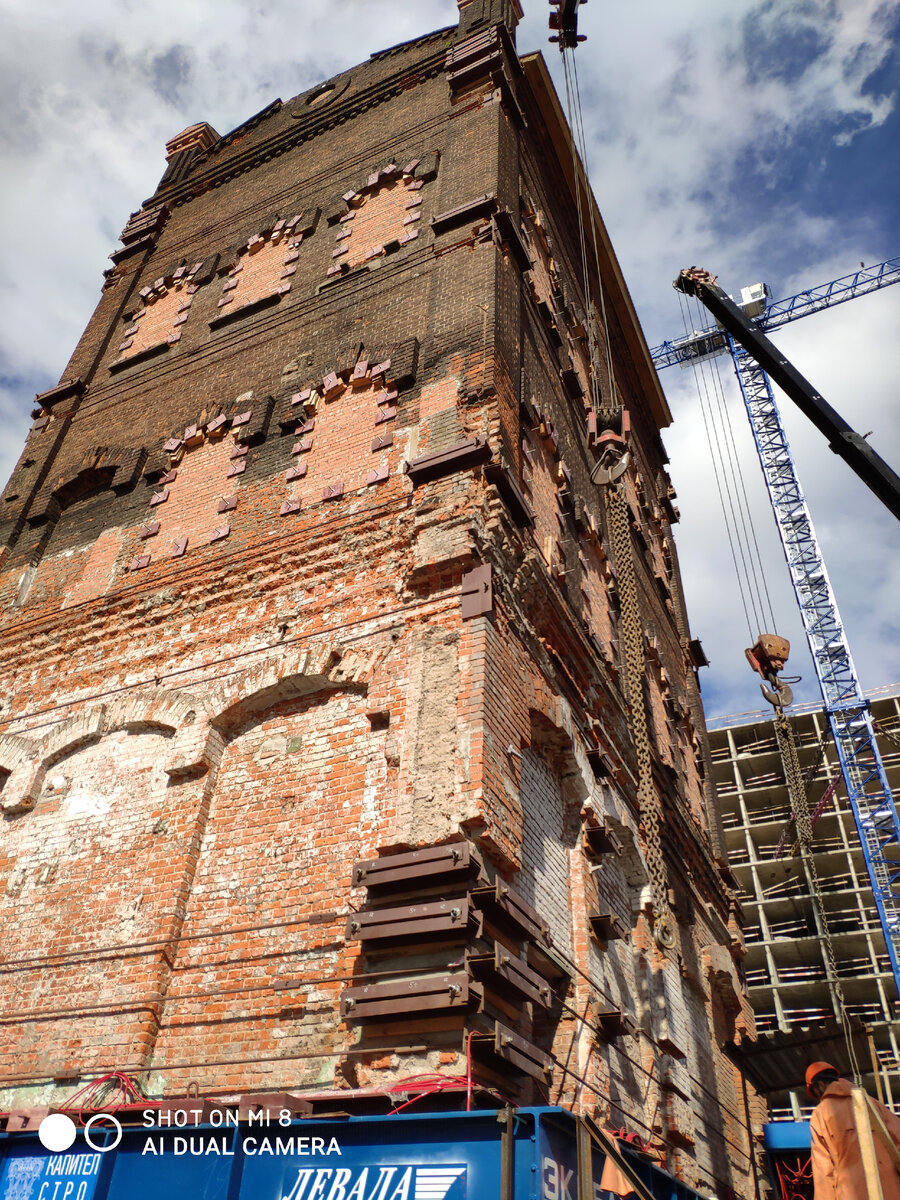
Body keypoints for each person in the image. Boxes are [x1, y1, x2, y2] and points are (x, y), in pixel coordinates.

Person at [807, 1061, 900, 1199]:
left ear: (819, 1085)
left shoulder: (820, 1114)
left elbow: (824, 1171)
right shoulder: (871, 1102)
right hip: (889, 1189)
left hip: (852, 1192)